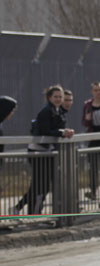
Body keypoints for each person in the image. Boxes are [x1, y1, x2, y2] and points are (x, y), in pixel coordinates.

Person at [14, 85, 75, 215]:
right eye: (55, 97)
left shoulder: (57, 111)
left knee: (42, 185)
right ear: (49, 97)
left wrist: (63, 132)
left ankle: (26, 210)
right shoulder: (46, 111)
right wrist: (63, 133)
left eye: (60, 97)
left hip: (47, 152)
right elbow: (45, 131)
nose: (58, 99)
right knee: (40, 185)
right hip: (38, 152)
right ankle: (30, 212)